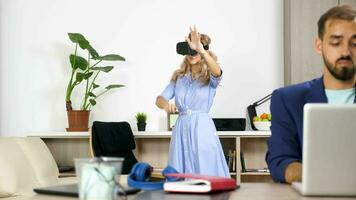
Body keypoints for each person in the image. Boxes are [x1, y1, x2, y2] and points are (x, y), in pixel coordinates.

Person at [266, 5, 356, 184]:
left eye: (355, 43)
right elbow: (280, 162)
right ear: (319, 45)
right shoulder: (287, 100)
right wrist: (331, 177)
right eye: (336, 42)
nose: (345, 51)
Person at [155, 26, 230, 177]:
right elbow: (160, 99)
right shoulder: (179, 77)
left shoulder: (210, 76)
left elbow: (218, 72)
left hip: (202, 129)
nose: (192, 53)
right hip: (181, 130)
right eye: (189, 49)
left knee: (206, 171)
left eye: (195, 49)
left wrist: (201, 50)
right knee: (179, 175)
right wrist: (166, 106)